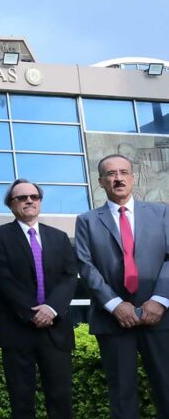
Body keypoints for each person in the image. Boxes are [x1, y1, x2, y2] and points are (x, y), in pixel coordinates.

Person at [75, 154, 169, 419]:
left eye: (123, 172)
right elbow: (85, 266)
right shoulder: (87, 221)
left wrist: (160, 299)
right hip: (113, 320)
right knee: (122, 395)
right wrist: (115, 305)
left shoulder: (162, 213)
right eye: (111, 174)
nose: (118, 178)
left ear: (132, 177)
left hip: (160, 319)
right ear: (101, 182)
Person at [0, 179, 78, 419]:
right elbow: (2, 278)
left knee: (60, 399)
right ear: (10, 204)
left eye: (34, 197)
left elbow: (70, 277)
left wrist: (51, 308)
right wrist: (33, 312)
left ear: (39, 201)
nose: (29, 200)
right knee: (21, 401)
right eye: (22, 197)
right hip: (17, 330)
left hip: (55, 330)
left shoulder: (59, 237)